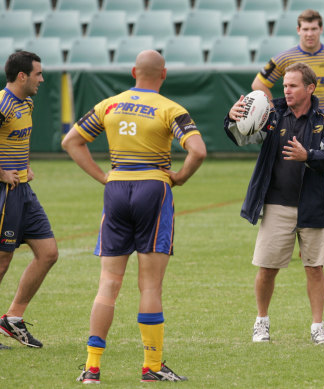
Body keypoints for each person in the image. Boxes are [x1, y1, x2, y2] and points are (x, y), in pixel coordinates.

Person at [62, 50, 206, 383]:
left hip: (116, 187)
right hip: (153, 188)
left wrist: (103, 177)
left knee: (108, 284)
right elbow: (197, 150)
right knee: (150, 285)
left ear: (133, 72)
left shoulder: (109, 104)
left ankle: (92, 368)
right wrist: (181, 177)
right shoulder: (171, 108)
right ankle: (152, 368)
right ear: (164, 74)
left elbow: (71, 141)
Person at [224, 62, 324, 344]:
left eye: (292, 86)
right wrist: (233, 119)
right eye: (284, 86)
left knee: (314, 268)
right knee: (267, 268)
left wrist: (309, 156)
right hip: (277, 205)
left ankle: (318, 327)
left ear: (310, 88)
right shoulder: (271, 114)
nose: (286, 91)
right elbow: (242, 137)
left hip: (314, 205)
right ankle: (261, 322)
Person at [251, 8, 324, 181]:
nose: (310, 34)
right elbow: (258, 84)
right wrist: (275, 113)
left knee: (323, 182)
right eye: (306, 29)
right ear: (298, 30)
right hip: (295, 126)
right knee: (291, 181)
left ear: (321, 30)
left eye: (314, 29)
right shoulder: (285, 58)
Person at [0, 51, 59, 350]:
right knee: (2, 260)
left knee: (48, 253)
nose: (42, 78)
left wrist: (24, 165)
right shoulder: (2, 104)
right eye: (38, 73)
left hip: (23, 191)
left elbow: (14, 139)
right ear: (22, 76)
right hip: (4, 193)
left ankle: (12, 318)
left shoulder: (28, 102)